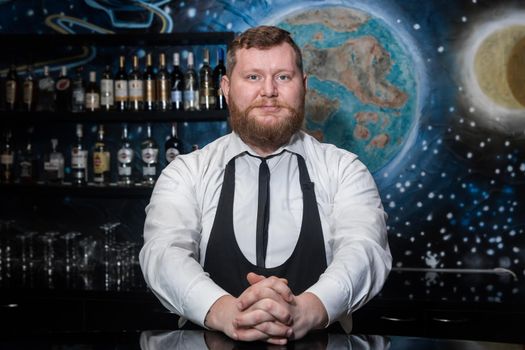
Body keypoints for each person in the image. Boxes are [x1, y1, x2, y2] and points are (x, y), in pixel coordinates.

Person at [140, 25, 391, 345]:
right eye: (253, 77)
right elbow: (163, 255)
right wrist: (225, 311)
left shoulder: (345, 170)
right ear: (226, 88)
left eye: (283, 77)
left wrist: (307, 310)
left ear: (304, 86)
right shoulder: (186, 172)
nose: (269, 91)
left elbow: (365, 250)